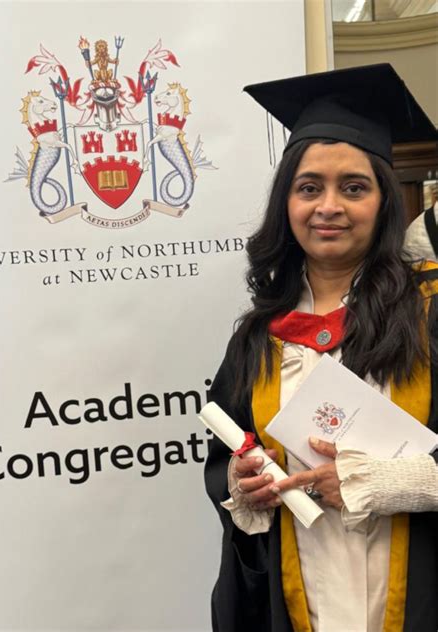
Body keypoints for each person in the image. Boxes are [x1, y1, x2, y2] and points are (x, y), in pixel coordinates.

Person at [204, 64, 438, 632]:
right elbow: (224, 461)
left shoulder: (431, 312)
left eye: (353, 187)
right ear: (286, 204)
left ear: (384, 201)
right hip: (298, 598)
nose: (328, 206)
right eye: (309, 188)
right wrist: (244, 485)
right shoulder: (259, 337)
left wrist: (383, 483)